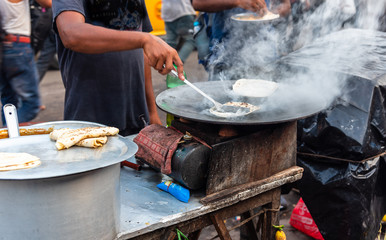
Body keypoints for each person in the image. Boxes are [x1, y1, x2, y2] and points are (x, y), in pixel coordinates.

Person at [52, 0, 185, 136]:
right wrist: (144, 39)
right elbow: (71, 34)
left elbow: (143, 53)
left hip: (136, 118)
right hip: (90, 119)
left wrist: (151, 112)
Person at [192, 0, 291, 80]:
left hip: (264, 53)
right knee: (222, 100)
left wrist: (270, 14)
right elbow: (198, 3)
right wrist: (237, 2)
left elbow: (285, 4)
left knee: (264, 99)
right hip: (225, 55)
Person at [0, 0, 51, 125]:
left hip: (2, 45)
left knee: (9, 101)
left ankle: (10, 139)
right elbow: (48, 3)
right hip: (17, 46)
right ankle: (10, 132)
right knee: (32, 104)